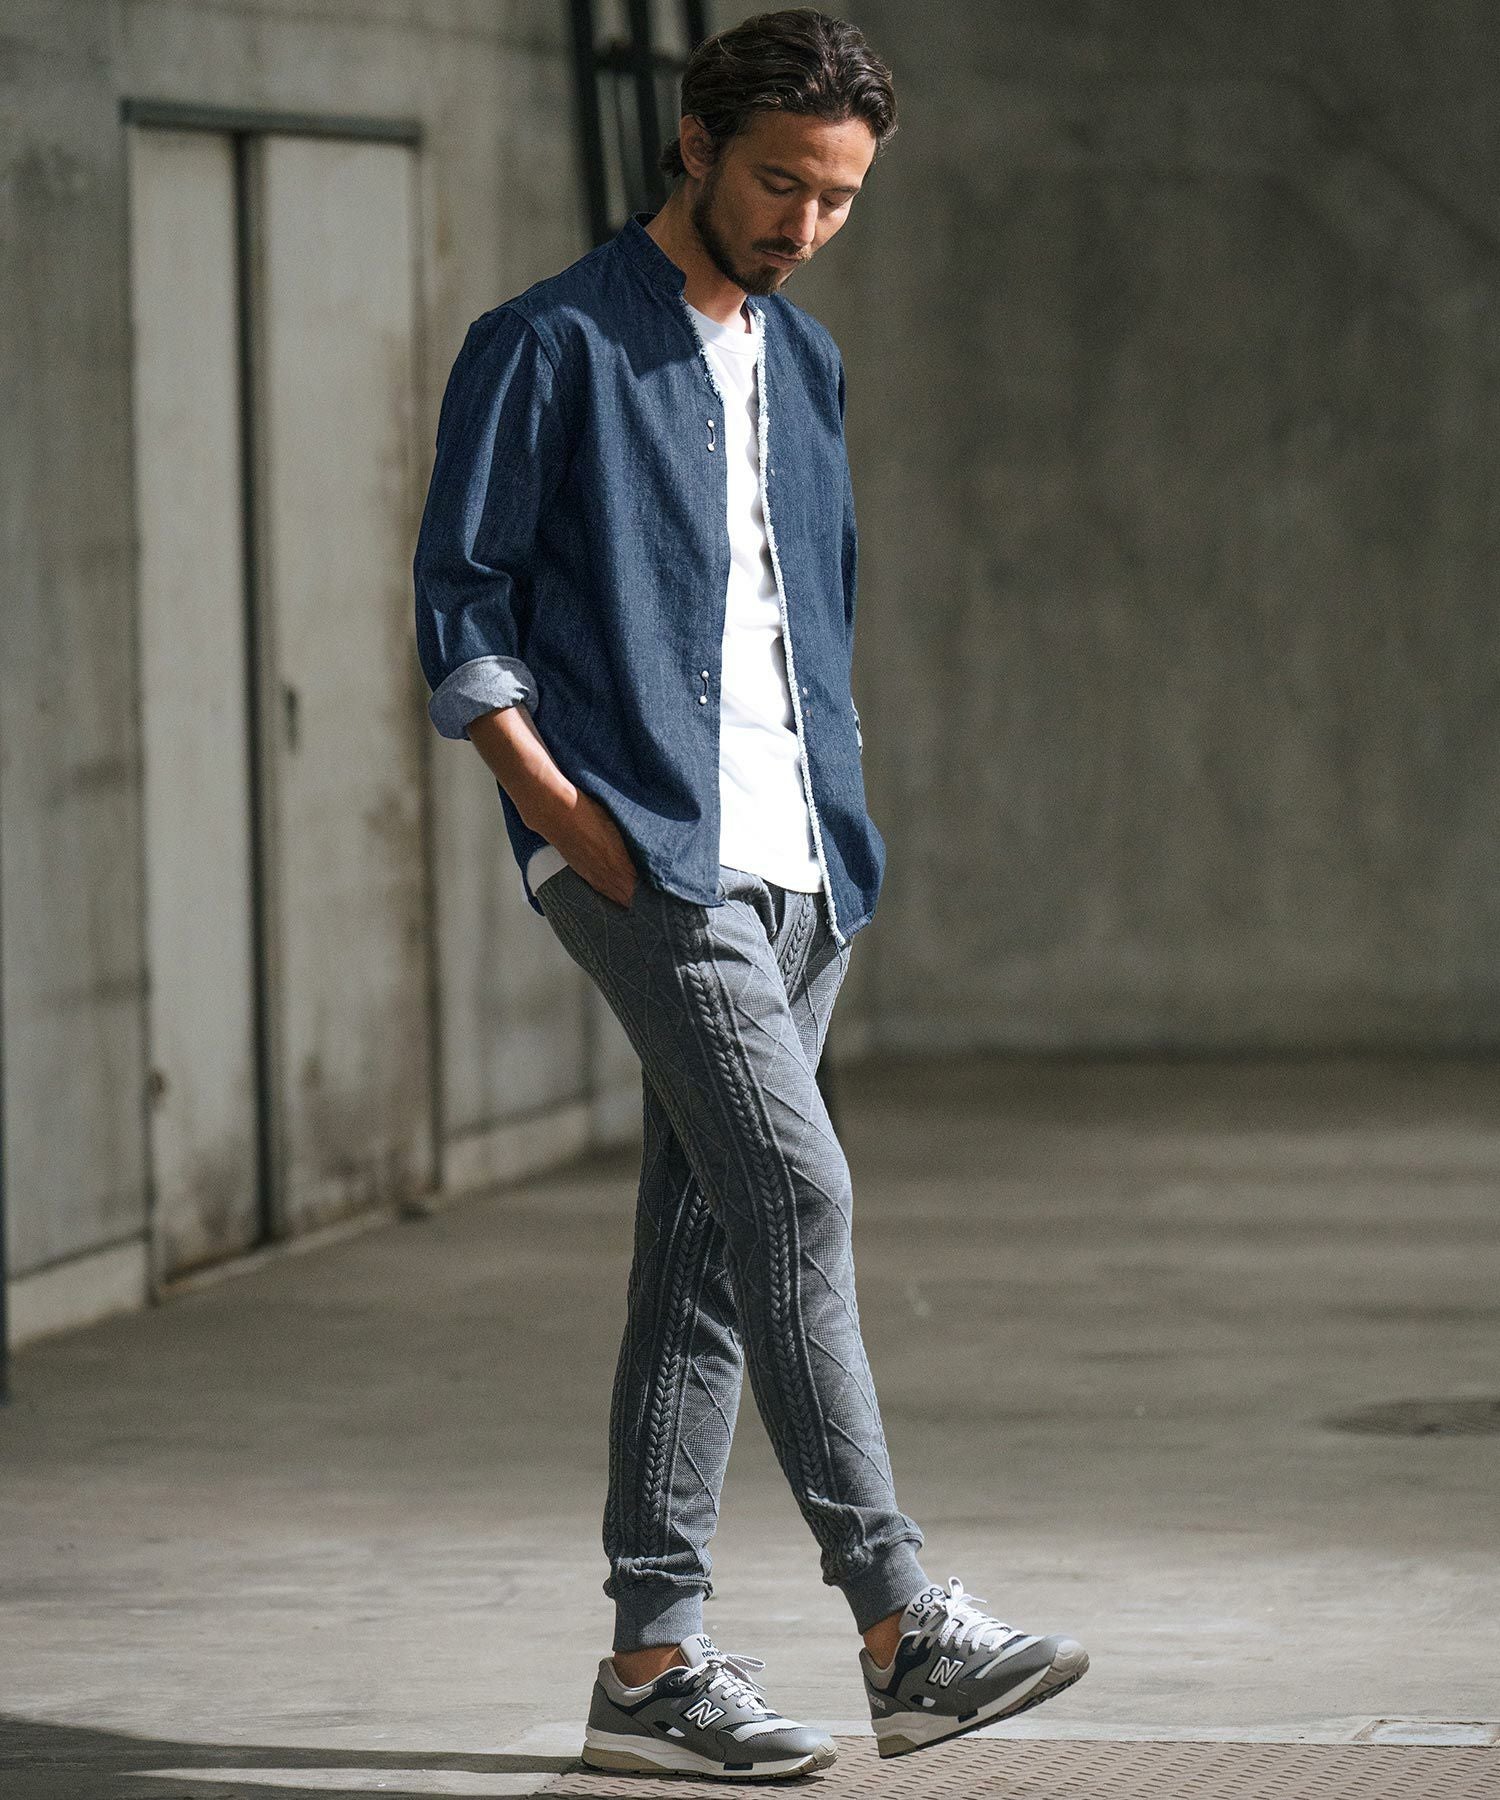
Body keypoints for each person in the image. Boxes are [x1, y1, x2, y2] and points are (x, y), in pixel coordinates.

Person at [413, 7, 1088, 1779]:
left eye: (841, 197)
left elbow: (808, 617)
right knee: (798, 1196)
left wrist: (838, 837)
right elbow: (460, 619)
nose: (807, 222)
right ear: (696, 146)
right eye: (782, 182)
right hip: (650, 857)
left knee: (708, 1257)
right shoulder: (547, 343)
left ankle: (650, 1674)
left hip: (806, 869)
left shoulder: (806, 361)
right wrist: (570, 823)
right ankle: (901, 1622)